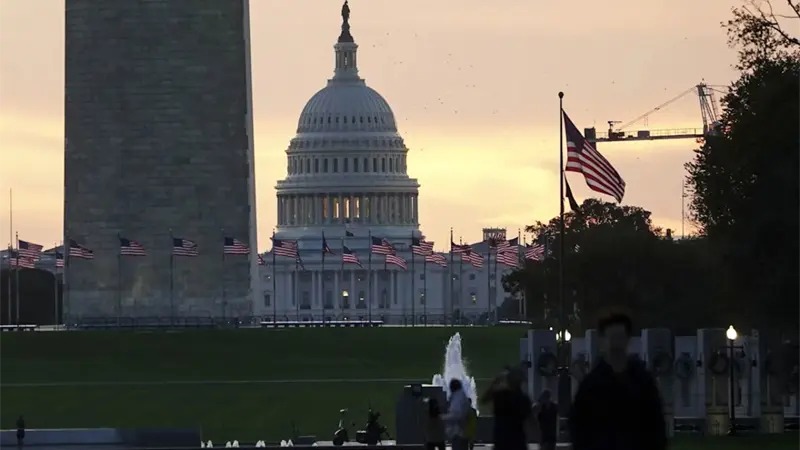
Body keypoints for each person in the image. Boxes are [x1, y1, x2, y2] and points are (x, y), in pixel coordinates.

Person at [568, 311, 667, 450]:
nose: (616, 344)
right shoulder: (591, 385)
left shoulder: (643, 381)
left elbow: (656, 424)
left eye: (620, 338)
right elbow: (578, 426)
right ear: (603, 341)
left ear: (628, 340)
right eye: (611, 338)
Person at [479, 366, 532, 450]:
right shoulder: (523, 399)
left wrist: (495, 382)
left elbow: (483, 400)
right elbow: (531, 420)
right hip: (518, 443)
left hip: (501, 443)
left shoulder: (500, 395)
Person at [440, 379, 470, 450]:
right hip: (463, 432)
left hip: (458, 433)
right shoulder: (462, 396)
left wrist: (441, 417)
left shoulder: (457, 398)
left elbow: (456, 415)